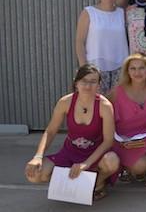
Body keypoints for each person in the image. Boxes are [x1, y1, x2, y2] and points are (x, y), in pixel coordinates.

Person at [25, 64, 119, 201]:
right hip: (70, 152)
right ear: (76, 82)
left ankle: (97, 183)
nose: (88, 86)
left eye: (93, 82)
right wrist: (38, 156)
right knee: (34, 174)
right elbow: (50, 131)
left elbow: (108, 141)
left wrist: (86, 163)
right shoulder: (65, 102)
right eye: (84, 81)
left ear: (99, 85)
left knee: (112, 161)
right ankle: (75, 184)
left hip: (95, 154)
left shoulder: (105, 106)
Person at [110, 53, 146, 186]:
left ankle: (138, 168)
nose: (137, 72)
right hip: (124, 140)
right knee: (140, 166)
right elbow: (106, 121)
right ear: (127, 71)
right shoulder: (117, 92)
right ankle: (132, 168)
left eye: (141, 68)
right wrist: (117, 140)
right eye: (133, 68)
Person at [75, 0, 129, 95]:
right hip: (95, 66)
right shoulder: (89, 12)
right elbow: (80, 41)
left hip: (120, 67)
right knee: (96, 103)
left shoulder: (122, 13)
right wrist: (84, 67)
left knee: (118, 103)